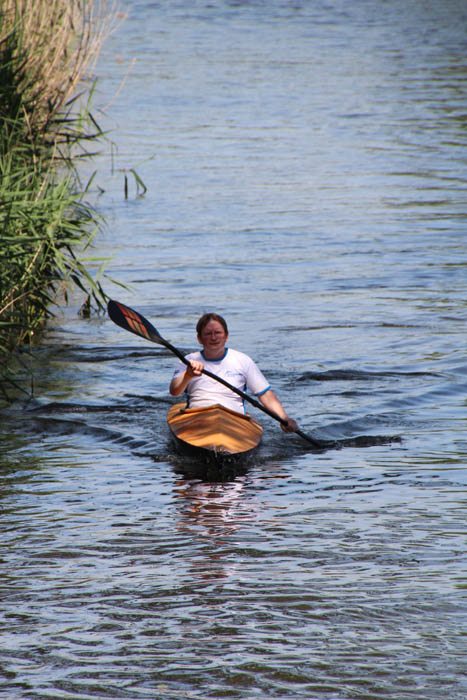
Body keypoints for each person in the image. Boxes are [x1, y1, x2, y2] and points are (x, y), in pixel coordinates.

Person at [169, 313, 298, 433]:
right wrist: (188, 375)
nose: (213, 337)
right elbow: (174, 391)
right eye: (208, 333)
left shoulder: (243, 360)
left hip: (234, 420)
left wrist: (284, 418)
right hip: (197, 417)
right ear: (199, 338)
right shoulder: (188, 361)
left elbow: (264, 394)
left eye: (218, 333)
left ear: (226, 336)